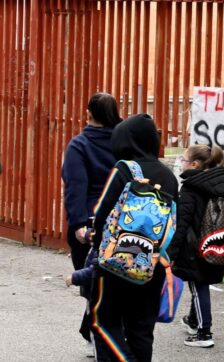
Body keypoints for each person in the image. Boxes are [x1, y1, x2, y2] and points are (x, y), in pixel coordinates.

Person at [89, 113, 178, 361]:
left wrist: (98, 247)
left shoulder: (125, 169)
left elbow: (102, 215)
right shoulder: (168, 175)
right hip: (152, 264)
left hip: (116, 263)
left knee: (102, 321)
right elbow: (174, 223)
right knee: (141, 329)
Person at [61, 92, 121, 350]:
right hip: (123, 219)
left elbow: (75, 186)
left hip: (90, 221)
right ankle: (96, 331)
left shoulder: (80, 145)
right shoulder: (123, 142)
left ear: (88, 113)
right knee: (119, 274)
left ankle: (97, 334)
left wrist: (77, 225)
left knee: (92, 279)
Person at [168, 144, 224, 348]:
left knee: (198, 287)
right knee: (200, 283)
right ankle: (193, 321)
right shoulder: (220, 184)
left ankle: (204, 333)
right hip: (215, 243)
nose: (181, 163)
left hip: (194, 246)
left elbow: (182, 224)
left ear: (194, 164)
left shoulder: (190, 188)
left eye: (183, 160)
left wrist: (172, 252)